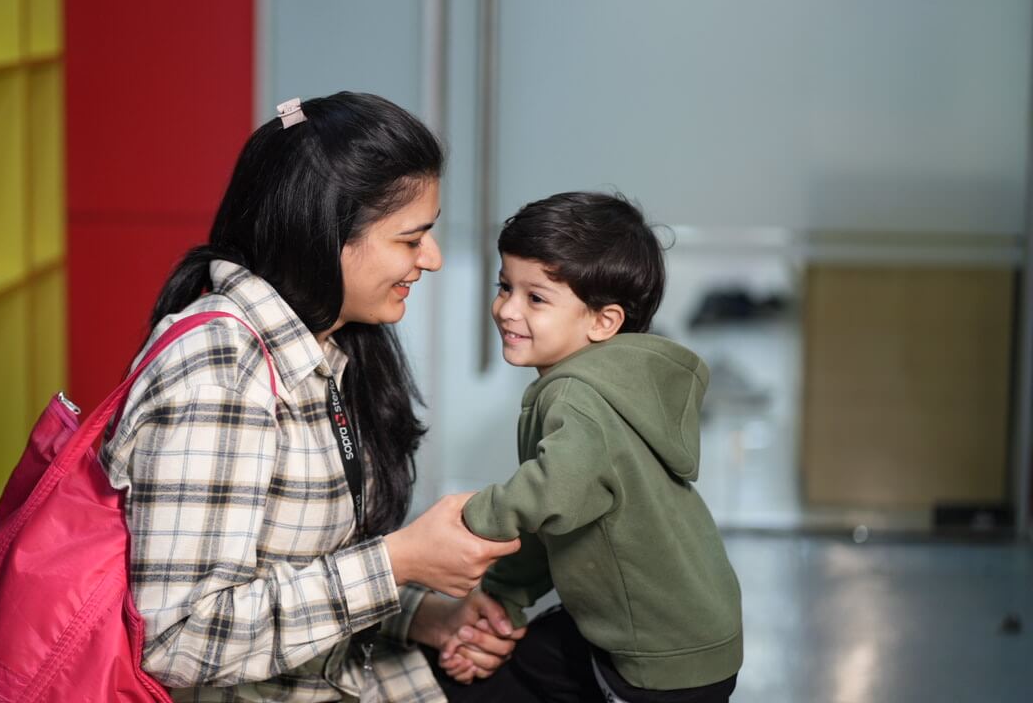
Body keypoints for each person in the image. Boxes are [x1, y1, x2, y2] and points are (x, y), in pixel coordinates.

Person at [100, 91, 523, 702]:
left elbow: (292, 567)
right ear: (324, 236)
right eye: (411, 238)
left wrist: (420, 613)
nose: (430, 259)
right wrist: (396, 563)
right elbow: (178, 639)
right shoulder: (220, 370)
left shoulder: (326, 343)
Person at [443, 191, 743, 702]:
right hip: (697, 630)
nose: (507, 309)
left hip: (657, 657)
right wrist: (503, 594)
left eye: (536, 298)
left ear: (603, 321)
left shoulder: (576, 396)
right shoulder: (610, 387)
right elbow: (551, 520)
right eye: (505, 286)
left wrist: (471, 516)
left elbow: (551, 491)